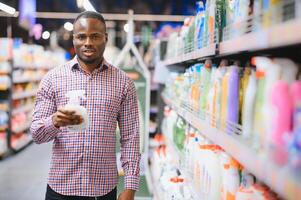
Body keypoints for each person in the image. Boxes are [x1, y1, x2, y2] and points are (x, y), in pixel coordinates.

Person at [30, 11, 141, 200]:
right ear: (74, 39)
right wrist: (54, 121)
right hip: (61, 189)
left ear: (105, 38)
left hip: (103, 190)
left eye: (95, 36)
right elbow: (37, 134)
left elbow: (131, 138)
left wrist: (130, 187)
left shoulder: (123, 83)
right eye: (81, 36)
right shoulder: (53, 79)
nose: (88, 42)